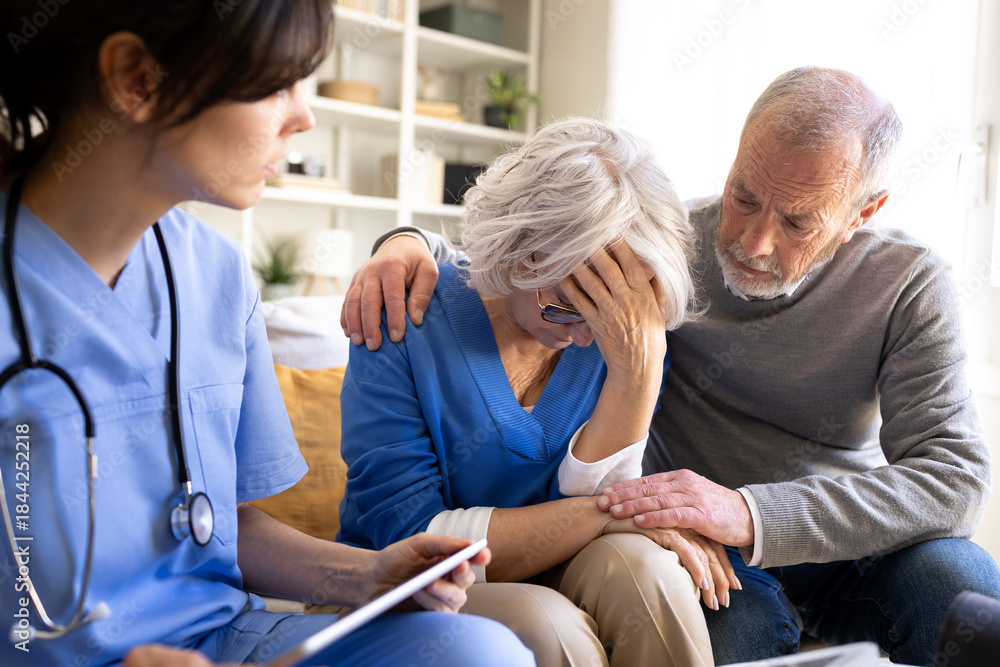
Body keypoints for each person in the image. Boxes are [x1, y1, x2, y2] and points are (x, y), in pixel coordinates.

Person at [339, 67, 1000, 666]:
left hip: (840, 547)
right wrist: (403, 242)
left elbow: (956, 479)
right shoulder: (662, 251)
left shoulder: (907, 283)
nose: (752, 240)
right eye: (743, 194)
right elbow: (524, 251)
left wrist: (747, 511)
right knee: (714, 625)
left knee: (963, 588)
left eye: (797, 222)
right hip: (707, 558)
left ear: (864, 212)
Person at [0, 2, 536, 667]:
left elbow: (225, 524)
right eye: (275, 83)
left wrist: (368, 577)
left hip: (230, 642)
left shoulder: (216, 275)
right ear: (136, 80)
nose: (303, 115)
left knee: (478, 654)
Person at [337, 117, 736, 667]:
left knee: (650, 575)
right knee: (547, 627)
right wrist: (602, 513)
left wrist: (637, 370)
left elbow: (600, 514)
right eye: (566, 307)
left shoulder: (624, 336)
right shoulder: (405, 315)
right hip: (406, 582)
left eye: (609, 317)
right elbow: (412, 541)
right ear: (515, 250)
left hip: (558, 559)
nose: (582, 337)